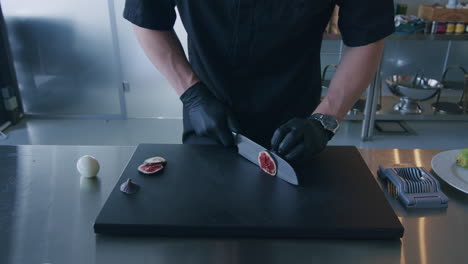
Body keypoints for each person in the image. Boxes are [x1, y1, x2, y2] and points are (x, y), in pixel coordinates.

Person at [123, 0, 394, 161]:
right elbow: (147, 18)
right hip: (209, 109)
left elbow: (367, 35)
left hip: (298, 119)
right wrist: (192, 94)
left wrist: (325, 119)